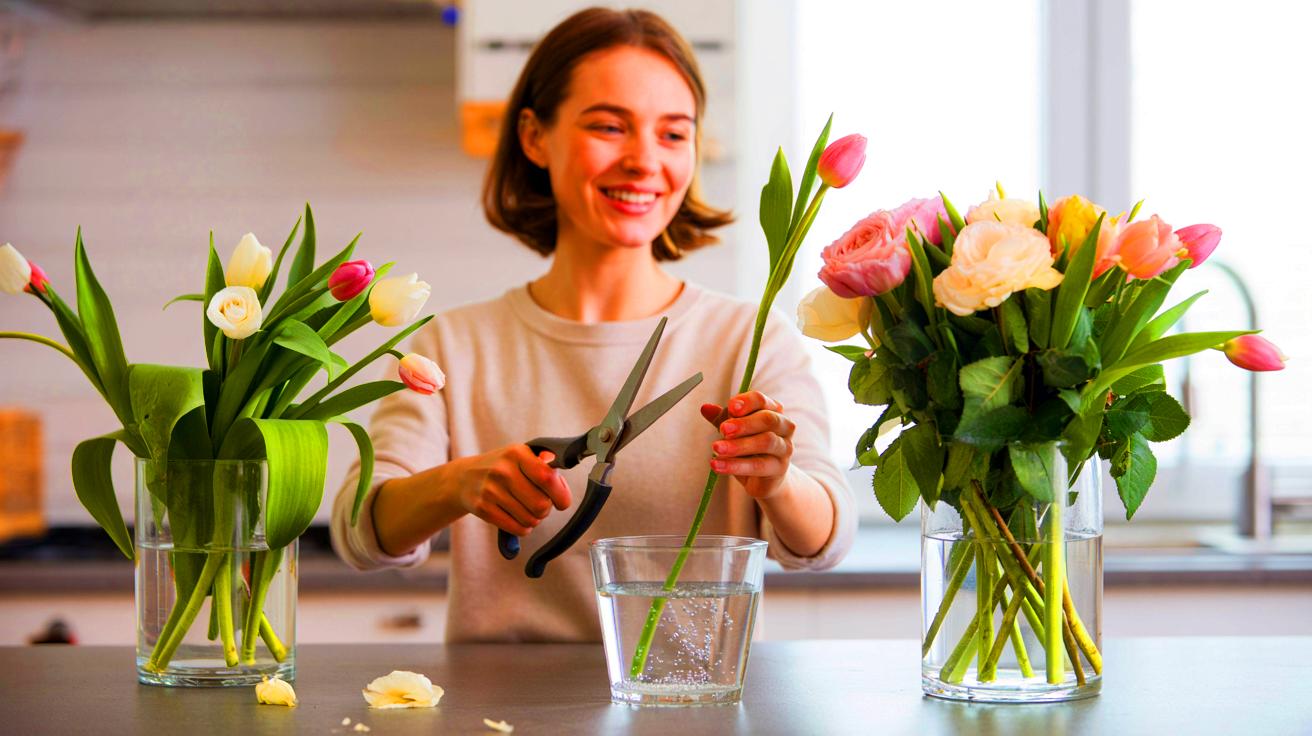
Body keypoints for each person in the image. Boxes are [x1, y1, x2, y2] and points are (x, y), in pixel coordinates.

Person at [330, 7, 856, 643]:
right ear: (534, 136)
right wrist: (457, 485)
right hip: (500, 712)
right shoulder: (453, 345)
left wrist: (777, 480)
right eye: (610, 126)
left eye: (672, 134)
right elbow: (361, 533)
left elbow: (826, 537)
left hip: (692, 706)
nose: (642, 160)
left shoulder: (750, 339)